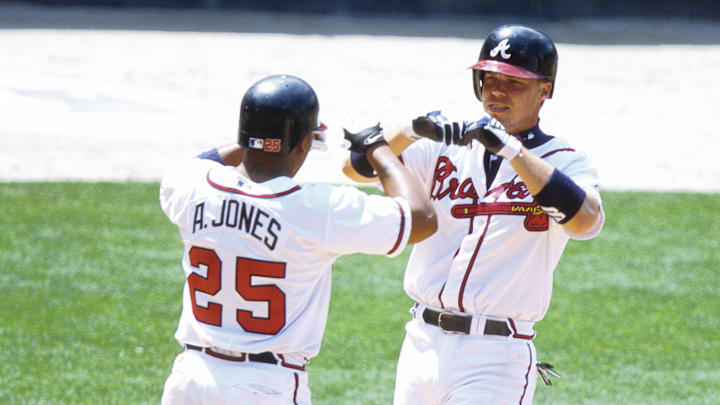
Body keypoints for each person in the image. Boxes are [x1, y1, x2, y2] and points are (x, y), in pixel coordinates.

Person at [342, 24, 605, 404]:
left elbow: (587, 223)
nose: (497, 91)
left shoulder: (564, 161)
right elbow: (354, 169)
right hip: (421, 344)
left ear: (544, 90)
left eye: (514, 82)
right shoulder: (444, 148)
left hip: (495, 357)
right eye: (489, 78)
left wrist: (512, 151)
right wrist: (412, 130)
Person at [159, 74, 437, 404]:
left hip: (190, 378)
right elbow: (421, 218)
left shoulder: (191, 186)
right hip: (264, 387)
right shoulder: (318, 209)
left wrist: (258, 137)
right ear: (305, 143)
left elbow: (205, 161)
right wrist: (376, 145)